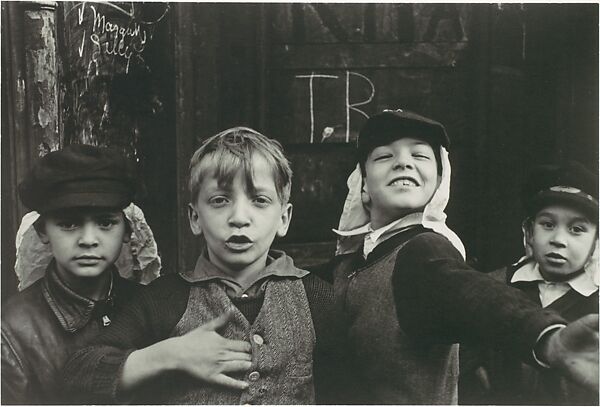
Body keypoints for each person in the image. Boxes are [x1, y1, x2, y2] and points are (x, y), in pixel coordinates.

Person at [326, 109, 599, 404]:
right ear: (363, 185)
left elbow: (475, 295)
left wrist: (547, 337)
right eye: (384, 156)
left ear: (439, 181)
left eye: (419, 156)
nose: (403, 161)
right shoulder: (350, 261)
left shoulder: (424, 249)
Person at [62, 127, 340, 404]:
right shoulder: (165, 299)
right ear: (195, 218)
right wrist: (168, 355)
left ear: (284, 218)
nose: (239, 217)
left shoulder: (317, 299)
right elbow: (77, 374)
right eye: (220, 200)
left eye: (259, 200)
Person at [1, 144, 161, 404]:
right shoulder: (13, 330)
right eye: (68, 223)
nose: (88, 240)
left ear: (128, 232)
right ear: (43, 232)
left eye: (105, 222)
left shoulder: (152, 307)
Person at [460, 161, 599, 405]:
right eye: (547, 224)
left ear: (596, 241)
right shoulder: (493, 286)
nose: (558, 240)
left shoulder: (595, 302)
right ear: (529, 231)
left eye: (577, 229)